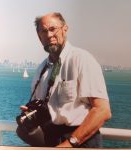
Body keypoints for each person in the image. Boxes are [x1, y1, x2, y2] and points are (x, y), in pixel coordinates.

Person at [17, 12, 112, 148]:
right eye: (43, 31)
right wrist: (31, 111)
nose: (49, 35)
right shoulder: (41, 69)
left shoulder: (81, 60)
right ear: (39, 36)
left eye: (52, 29)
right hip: (49, 139)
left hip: (79, 140)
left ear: (65, 29)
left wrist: (69, 143)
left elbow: (102, 111)